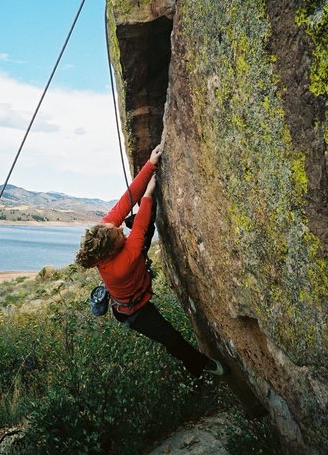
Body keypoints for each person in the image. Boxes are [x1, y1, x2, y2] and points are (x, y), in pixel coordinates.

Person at [76, 145, 228, 379]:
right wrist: (150, 191)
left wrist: (150, 163)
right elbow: (140, 227)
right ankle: (200, 366)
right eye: (118, 234)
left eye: (115, 228)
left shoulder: (104, 232)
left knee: (134, 219)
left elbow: (127, 199)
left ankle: (195, 368)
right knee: (171, 339)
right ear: (111, 249)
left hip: (134, 273)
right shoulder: (123, 263)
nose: (119, 229)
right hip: (134, 311)